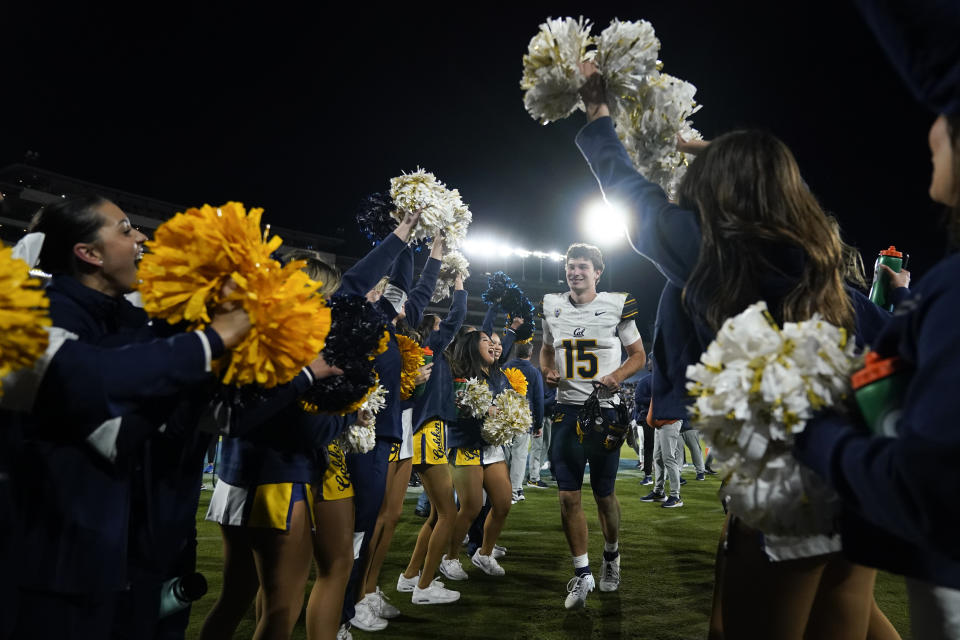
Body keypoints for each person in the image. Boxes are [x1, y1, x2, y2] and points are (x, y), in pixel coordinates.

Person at [573, 63, 897, 639]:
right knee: (853, 623)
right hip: (861, 477)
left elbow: (631, 196)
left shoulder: (724, 260)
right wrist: (698, 147)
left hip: (788, 485)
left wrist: (599, 115)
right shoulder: (828, 278)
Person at [13, 196, 251, 640]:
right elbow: (95, 383)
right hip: (54, 567)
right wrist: (214, 339)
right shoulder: (35, 313)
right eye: (125, 230)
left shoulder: (131, 320)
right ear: (89, 253)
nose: (141, 237)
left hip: (126, 555)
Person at [539, 242, 646, 609]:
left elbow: (638, 355)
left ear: (597, 272)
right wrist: (547, 371)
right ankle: (582, 574)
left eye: (583, 266)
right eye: (571, 266)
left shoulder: (616, 305)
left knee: (603, 494)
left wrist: (617, 376)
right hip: (567, 411)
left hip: (604, 412)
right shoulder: (551, 306)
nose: (575, 272)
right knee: (568, 496)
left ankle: (612, 555)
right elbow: (546, 348)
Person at [354, 236, 443, 628]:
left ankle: (369, 589)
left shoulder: (400, 327)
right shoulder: (364, 322)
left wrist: (435, 251)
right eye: (382, 290)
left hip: (400, 428)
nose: (396, 300)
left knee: (390, 517)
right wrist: (405, 235)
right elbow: (407, 282)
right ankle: (352, 597)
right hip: (372, 430)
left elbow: (419, 289)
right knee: (368, 520)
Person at [398, 273, 467, 604]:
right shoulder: (428, 349)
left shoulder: (425, 356)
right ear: (430, 332)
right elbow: (457, 317)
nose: (445, 331)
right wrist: (460, 284)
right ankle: (424, 587)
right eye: (438, 326)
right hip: (429, 433)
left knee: (438, 513)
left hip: (427, 431)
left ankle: (411, 577)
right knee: (448, 513)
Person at [443, 331, 514, 579]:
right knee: (471, 506)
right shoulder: (459, 373)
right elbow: (455, 407)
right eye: (487, 341)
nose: (494, 345)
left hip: (491, 447)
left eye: (495, 343)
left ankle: (484, 553)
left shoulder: (497, 375)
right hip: (466, 444)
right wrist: (483, 409)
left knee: (503, 503)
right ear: (473, 347)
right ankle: (449, 558)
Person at [502, 341, 544, 503]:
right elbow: (538, 399)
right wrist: (538, 424)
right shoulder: (533, 372)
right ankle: (514, 491)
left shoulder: (505, 367)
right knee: (519, 456)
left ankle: (503, 488)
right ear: (530, 353)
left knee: (504, 456)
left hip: (505, 417)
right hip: (524, 419)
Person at [526, 377, 555, 489]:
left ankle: (534, 472)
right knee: (537, 447)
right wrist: (553, 399)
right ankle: (533, 479)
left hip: (547, 415)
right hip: (539, 416)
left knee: (545, 446)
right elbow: (538, 400)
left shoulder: (553, 374)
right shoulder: (539, 375)